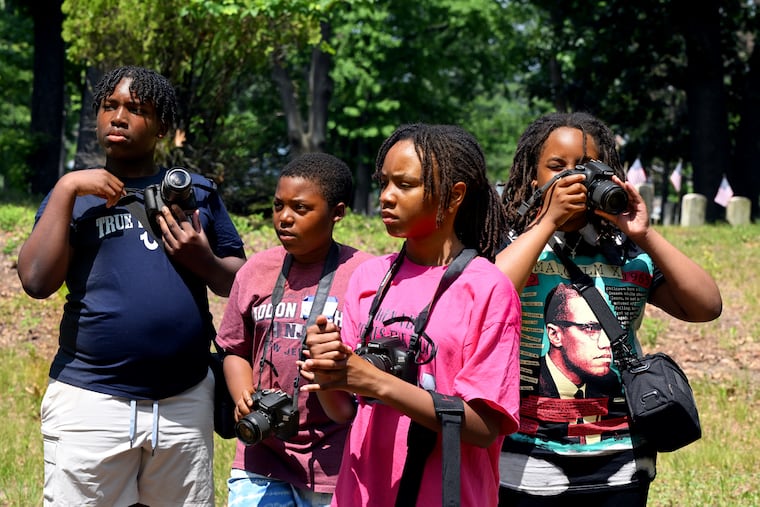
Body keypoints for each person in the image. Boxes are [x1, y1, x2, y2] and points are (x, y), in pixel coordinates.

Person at [16, 65, 246, 506]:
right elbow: (36, 281)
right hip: (91, 400)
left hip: (184, 401)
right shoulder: (75, 195)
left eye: (136, 109)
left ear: (162, 127)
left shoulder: (193, 193)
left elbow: (241, 284)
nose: (118, 117)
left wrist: (203, 259)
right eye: (110, 106)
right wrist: (66, 188)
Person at [495, 111, 722, 506]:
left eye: (584, 168)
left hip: (621, 463)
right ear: (533, 177)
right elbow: (488, 296)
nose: (572, 178)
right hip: (525, 461)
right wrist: (547, 221)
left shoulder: (627, 252)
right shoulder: (509, 243)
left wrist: (645, 234)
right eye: (556, 167)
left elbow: (706, 306)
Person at [299, 123, 522, 506]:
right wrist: (329, 370)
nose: (386, 196)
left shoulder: (487, 288)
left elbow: (484, 427)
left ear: (454, 196)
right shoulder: (371, 277)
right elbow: (343, 411)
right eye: (384, 182)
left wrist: (377, 383)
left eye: (405, 185)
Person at [215, 152, 373, 506]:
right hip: (262, 454)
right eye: (278, 205)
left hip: (336, 459)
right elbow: (234, 349)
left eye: (301, 209)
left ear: (338, 212)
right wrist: (243, 394)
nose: (284, 218)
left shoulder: (364, 274)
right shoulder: (257, 270)